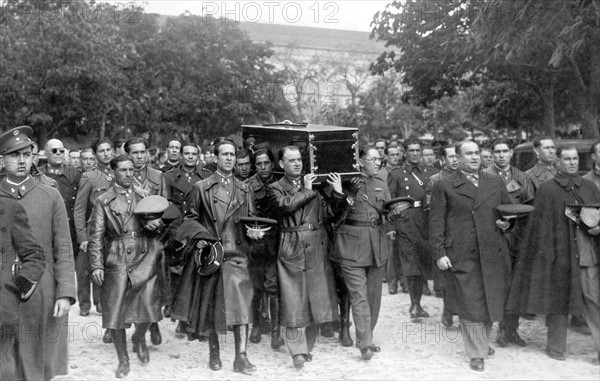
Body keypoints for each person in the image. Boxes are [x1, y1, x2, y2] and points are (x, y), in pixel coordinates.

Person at [171, 138, 259, 374]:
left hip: (238, 253)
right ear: (215, 158)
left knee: (242, 306)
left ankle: (241, 356)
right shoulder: (203, 187)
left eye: (232, 155)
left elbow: (251, 219)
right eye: (224, 155)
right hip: (213, 254)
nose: (229, 159)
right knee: (212, 306)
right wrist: (200, 238)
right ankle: (214, 353)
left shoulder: (244, 188)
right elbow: (189, 219)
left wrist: (254, 233)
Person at [507, 146, 600, 363]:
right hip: (559, 256)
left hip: (587, 255)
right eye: (566, 158)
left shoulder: (589, 186)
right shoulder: (548, 189)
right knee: (558, 301)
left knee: (594, 301)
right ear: (558, 161)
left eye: (575, 158)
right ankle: (555, 347)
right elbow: (540, 227)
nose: (572, 162)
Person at [0, 126, 76, 380]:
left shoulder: (50, 195)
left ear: (34, 157)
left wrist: (64, 292)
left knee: (37, 361)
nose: (21, 161)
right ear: (3, 159)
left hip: (41, 289)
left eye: (26, 154)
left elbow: (63, 246)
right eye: (13, 155)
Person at [429, 140, 512, 372]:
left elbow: (508, 211)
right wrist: (439, 252)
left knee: (489, 301)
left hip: (492, 251)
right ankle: (476, 352)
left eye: (477, 153)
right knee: (470, 302)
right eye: (469, 154)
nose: (475, 157)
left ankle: (481, 343)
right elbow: (436, 222)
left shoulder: (495, 181)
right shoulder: (444, 185)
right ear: (457, 157)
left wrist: (506, 225)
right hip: (462, 253)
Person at [267, 145, 347, 368]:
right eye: (291, 160)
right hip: (291, 246)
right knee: (294, 301)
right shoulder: (275, 188)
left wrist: (338, 193)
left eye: (299, 160)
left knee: (314, 300)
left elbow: (330, 214)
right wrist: (307, 189)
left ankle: (306, 348)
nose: (297, 164)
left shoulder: (313, 186)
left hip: (316, 245)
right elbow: (286, 206)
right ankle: (297, 351)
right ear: (281, 164)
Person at [88, 155, 165, 378]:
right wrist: (96, 265)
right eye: (123, 170)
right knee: (117, 311)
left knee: (149, 306)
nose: (129, 173)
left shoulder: (145, 195)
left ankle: (139, 337)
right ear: (114, 172)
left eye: (131, 169)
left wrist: (154, 226)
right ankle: (123, 360)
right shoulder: (103, 200)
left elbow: (157, 225)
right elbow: (96, 236)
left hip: (144, 253)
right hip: (117, 254)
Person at [331, 146, 395, 360]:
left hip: (377, 245)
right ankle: (365, 343)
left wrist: (394, 215)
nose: (378, 163)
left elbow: (386, 212)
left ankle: (367, 335)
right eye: (373, 159)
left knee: (374, 297)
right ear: (360, 161)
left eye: (380, 160)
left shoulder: (381, 184)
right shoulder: (347, 183)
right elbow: (334, 214)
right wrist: (345, 193)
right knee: (359, 297)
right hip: (352, 247)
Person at [482, 138, 534, 347]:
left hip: (517, 237)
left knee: (516, 285)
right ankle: (492, 331)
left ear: (511, 153)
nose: (502, 155)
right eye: (497, 152)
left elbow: (530, 206)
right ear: (492, 154)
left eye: (505, 151)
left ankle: (511, 330)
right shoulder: (484, 176)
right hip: (493, 236)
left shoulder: (522, 176)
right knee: (494, 285)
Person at [124, 137, 169, 343]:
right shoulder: (123, 176)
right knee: (134, 286)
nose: (140, 157)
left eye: (143, 152)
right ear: (127, 155)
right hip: (132, 241)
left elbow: (166, 208)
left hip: (153, 240)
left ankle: (150, 324)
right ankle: (143, 325)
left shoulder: (157, 176)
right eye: (135, 153)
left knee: (154, 284)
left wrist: (158, 224)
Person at [164, 142, 212, 332]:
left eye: (194, 154)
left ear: (198, 156)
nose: (190, 157)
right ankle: (179, 314)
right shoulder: (169, 177)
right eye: (187, 153)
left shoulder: (207, 176)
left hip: (198, 229)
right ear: (181, 155)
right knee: (177, 272)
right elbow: (166, 203)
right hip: (178, 229)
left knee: (195, 270)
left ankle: (190, 316)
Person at [388, 138, 437, 317]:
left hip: (425, 220)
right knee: (411, 262)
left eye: (418, 150)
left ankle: (418, 303)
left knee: (423, 260)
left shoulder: (430, 172)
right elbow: (390, 201)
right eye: (411, 150)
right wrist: (391, 226)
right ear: (404, 152)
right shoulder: (396, 174)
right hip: (406, 220)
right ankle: (414, 304)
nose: (415, 154)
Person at [74, 137, 115, 341]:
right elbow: (80, 210)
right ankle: (93, 310)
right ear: (95, 154)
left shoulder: (122, 173)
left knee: (115, 281)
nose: (106, 154)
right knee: (91, 273)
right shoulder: (90, 177)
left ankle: (112, 324)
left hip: (118, 236)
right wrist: (83, 237)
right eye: (101, 151)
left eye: (109, 150)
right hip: (97, 235)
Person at [0, 197, 45, 381]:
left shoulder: (9, 209)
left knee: (3, 367)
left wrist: (15, 289)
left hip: (2, 305)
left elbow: (35, 255)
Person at [245, 148, 284, 348]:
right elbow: (246, 215)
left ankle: (276, 330)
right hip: (257, 242)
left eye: (266, 163)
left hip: (278, 241)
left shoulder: (281, 181)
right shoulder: (248, 186)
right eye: (259, 164)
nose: (263, 167)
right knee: (256, 286)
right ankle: (257, 325)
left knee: (273, 286)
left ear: (272, 163)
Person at [425, 145, 459, 327]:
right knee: (448, 277)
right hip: (446, 234)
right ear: (444, 160)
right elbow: (432, 210)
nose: (455, 160)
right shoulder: (435, 179)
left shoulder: (469, 178)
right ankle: (448, 309)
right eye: (451, 157)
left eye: (457, 157)